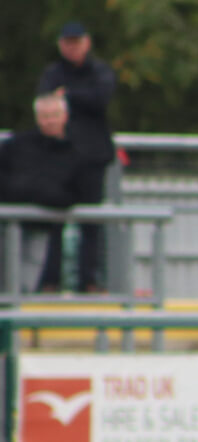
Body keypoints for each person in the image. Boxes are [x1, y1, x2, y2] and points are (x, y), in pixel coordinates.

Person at [37, 21, 116, 293]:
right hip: (59, 158)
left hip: (93, 158)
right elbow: (45, 102)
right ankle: (49, 281)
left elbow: (101, 98)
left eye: (76, 42)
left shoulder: (100, 71)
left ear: (87, 42)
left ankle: (90, 281)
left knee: (91, 223)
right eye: (67, 42)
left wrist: (68, 96)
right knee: (54, 221)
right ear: (61, 45)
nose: (72, 47)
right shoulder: (53, 72)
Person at [0, 94, 88, 292]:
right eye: (45, 116)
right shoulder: (16, 145)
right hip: (6, 224)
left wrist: (41, 197)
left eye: (54, 115)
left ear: (65, 116)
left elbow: (77, 193)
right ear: (37, 118)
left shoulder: (75, 153)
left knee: (25, 284)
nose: (50, 121)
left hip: (41, 227)